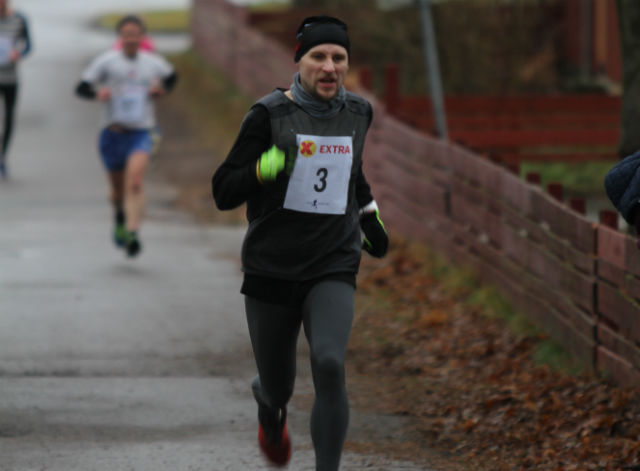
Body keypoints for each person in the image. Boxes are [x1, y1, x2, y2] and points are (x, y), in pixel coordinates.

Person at [211, 15, 389, 470]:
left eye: (339, 58)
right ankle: (269, 407)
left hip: (333, 261)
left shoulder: (358, 113)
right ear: (300, 60)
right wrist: (263, 169)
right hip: (272, 267)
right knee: (279, 386)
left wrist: (368, 216)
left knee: (329, 363)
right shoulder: (269, 115)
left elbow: (353, 174)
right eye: (319, 56)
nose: (329, 67)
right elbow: (223, 190)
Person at [74, 15, 177, 257]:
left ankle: (132, 232)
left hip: (142, 132)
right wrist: (99, 93)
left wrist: (160, 90)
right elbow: (81, 88)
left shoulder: (153, 62)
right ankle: (119, 217)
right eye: (126, 34)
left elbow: (172, 78)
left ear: (142, 37)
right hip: (113, 133)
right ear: (120, 38)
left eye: (135, 34)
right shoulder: (107, 62)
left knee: (136, 181)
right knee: (117, 192)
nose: (131, 39)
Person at [0, 0, 31, 178]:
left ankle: (3, 157)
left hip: (11, 78)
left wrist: (19, 53)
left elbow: (28, 45)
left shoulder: (19, 20)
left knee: (9, 118)